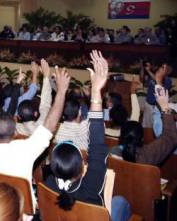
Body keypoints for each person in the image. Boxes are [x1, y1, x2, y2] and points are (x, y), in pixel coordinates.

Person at [45, 50, 132, 221]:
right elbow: (97, 144)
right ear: (81, 167)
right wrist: (95, 91)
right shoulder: (91, 185)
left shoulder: (48, 184)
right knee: (120, 202)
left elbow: (96, 148)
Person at [0, 65, 70, 208]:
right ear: (14, 132)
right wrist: (62, 91)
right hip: (21, 211)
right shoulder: (24, 149)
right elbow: (49, 122)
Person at [111, 86, 177, 165]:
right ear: (142, 139)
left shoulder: (112, 153)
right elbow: (170, 137)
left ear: (121, 137)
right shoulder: (148, 154)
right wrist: (165, 107)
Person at [16, 59, 52, 136]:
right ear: (36, 113)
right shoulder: (42, 128)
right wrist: (45, 76)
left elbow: (11, 106)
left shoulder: (15, 128)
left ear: (18, 116)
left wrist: (17, 83)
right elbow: (45, 105)